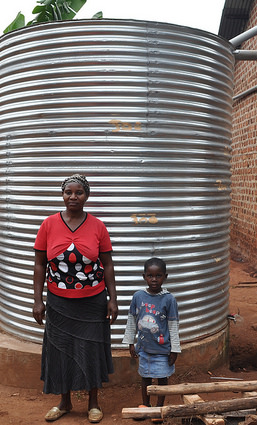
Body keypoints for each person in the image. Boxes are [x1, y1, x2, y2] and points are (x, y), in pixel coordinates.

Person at [32, 174, 118, 424]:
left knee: (91, 349)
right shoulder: (48, 224)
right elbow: (39, 265)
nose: (73, 197)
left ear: (86, 196)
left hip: (93, 301)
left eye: (78, 192)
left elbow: (108, 264)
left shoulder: (97, 226)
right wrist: (38, 300)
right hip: (59, 301)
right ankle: (64, 402)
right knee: (61, 351)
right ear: (62, 195)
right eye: (68, 192)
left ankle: (93, 403)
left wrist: (113, 298)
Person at [122, 257, 180, 422]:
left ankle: (159, 409)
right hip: (144, 349)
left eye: (158, 275)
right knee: (145, 378)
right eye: (150, 275)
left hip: (162, 350)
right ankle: (145, 406)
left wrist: (174, 349)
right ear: (144, 276)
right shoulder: (138, 297)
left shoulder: (169, 299)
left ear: (165, 277)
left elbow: (173, 326)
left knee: (162, 379)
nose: (154, 279)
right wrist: (130, 342)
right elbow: (132, 320)